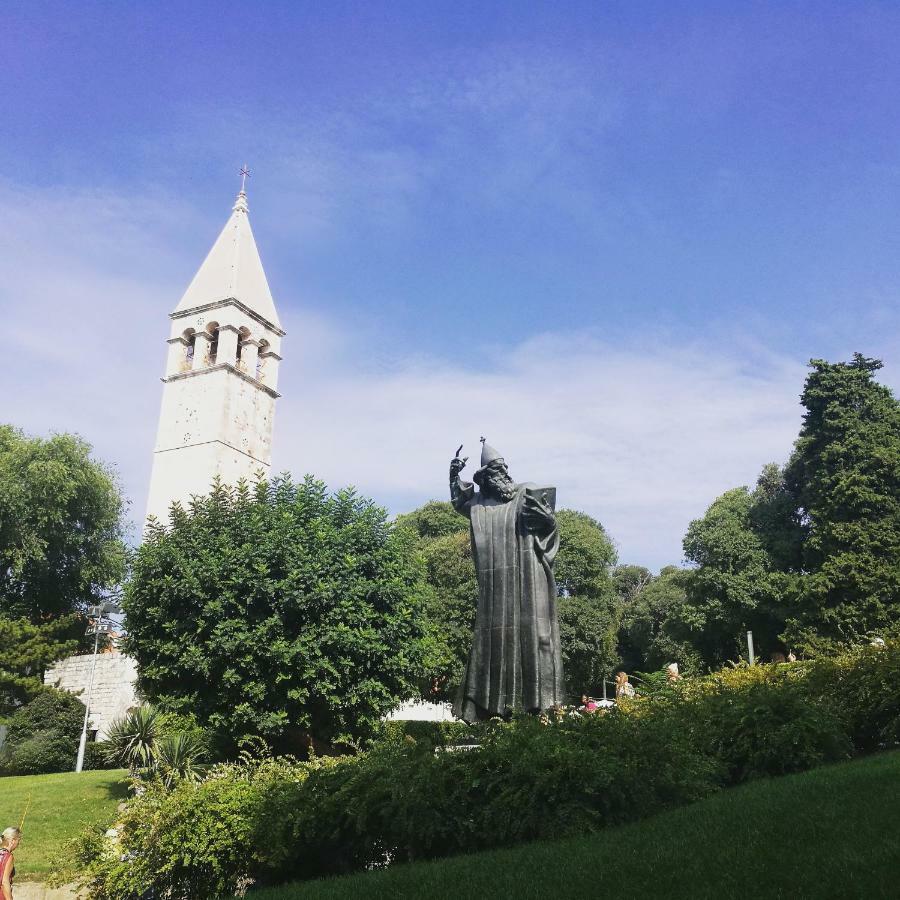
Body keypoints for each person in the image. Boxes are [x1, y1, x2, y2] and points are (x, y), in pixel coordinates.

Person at [449, 440, 565, 721]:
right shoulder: (479, 505)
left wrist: (548, 522)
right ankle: (492, 710)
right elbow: (460, 502)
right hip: (497, 589)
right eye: (496, 472)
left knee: (538, 636)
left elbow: (548, 524)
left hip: (529, 577)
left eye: (504, 470)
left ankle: (542, 708)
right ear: (485, 479)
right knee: (495, 640)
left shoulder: (525, 493)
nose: (503, 475)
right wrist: (453, 477)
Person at [0, 827, 20, 900]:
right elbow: (4, 882)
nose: (19, 843)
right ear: (12, 841)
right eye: (18, 840)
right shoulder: (8, 856)